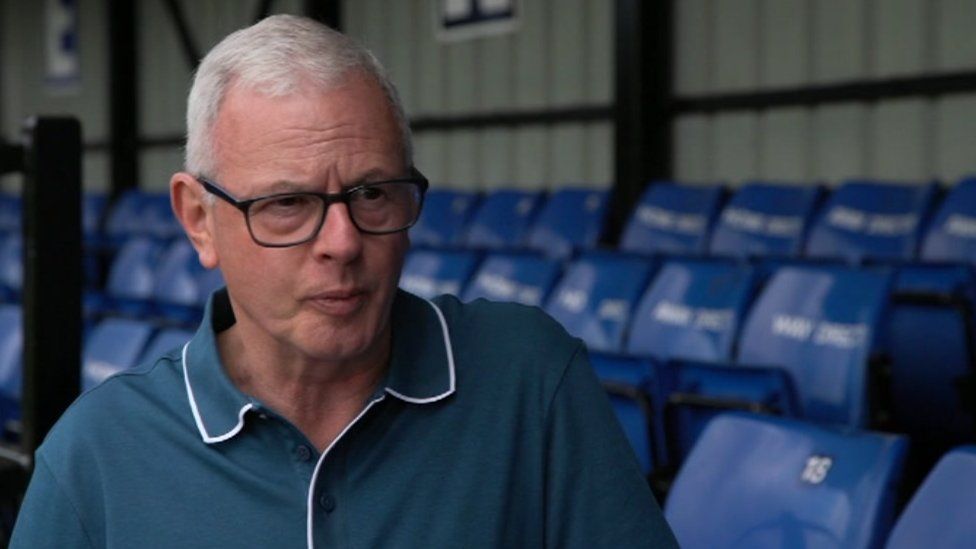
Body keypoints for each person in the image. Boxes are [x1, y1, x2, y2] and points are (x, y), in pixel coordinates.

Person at [11, 14, 677, 548]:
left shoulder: (529, 381)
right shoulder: (96, 456)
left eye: (373, 193)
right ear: (199, 220)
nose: (343, 242)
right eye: (286, 204)